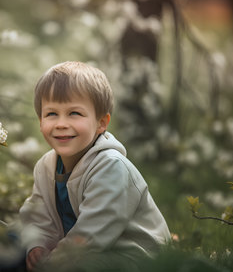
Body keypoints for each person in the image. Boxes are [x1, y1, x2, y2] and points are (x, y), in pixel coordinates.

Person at [19, 61, 170, 271]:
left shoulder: (111, 167)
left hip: (131, 257)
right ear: (40, 120)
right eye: (52, 114)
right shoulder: (45, 166)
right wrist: (36, 246)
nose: (61, 123)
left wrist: (53, 263)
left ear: (101, 123)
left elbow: (92, 234)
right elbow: (37, 217)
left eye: (75, 113)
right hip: (74, 253)